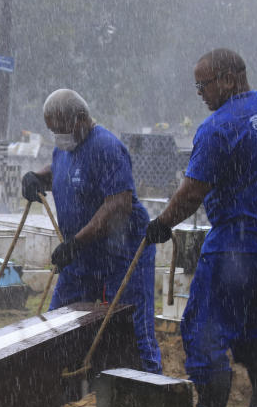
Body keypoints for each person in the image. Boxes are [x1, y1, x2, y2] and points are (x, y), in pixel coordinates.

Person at [144, 48, 257, 407]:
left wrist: (163, 223)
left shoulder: (219, 127)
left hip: (235, 247)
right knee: (248, 320)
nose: (199, 92)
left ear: (229, 79)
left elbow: (192, 191)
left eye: (203, 84)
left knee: (203, 329)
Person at [22, 89, 162, 374]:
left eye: (62, 129)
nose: (58, 136)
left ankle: (150, 388)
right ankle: (65, 391)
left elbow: (118, 206)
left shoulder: (107, 148)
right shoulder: (66, 147)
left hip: (121, 254)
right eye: (53, 131)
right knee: (59, 323)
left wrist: (76, 242)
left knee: (131, 329)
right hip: (82, 257)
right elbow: (62, 170)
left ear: (82, 118)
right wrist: (37, 177)